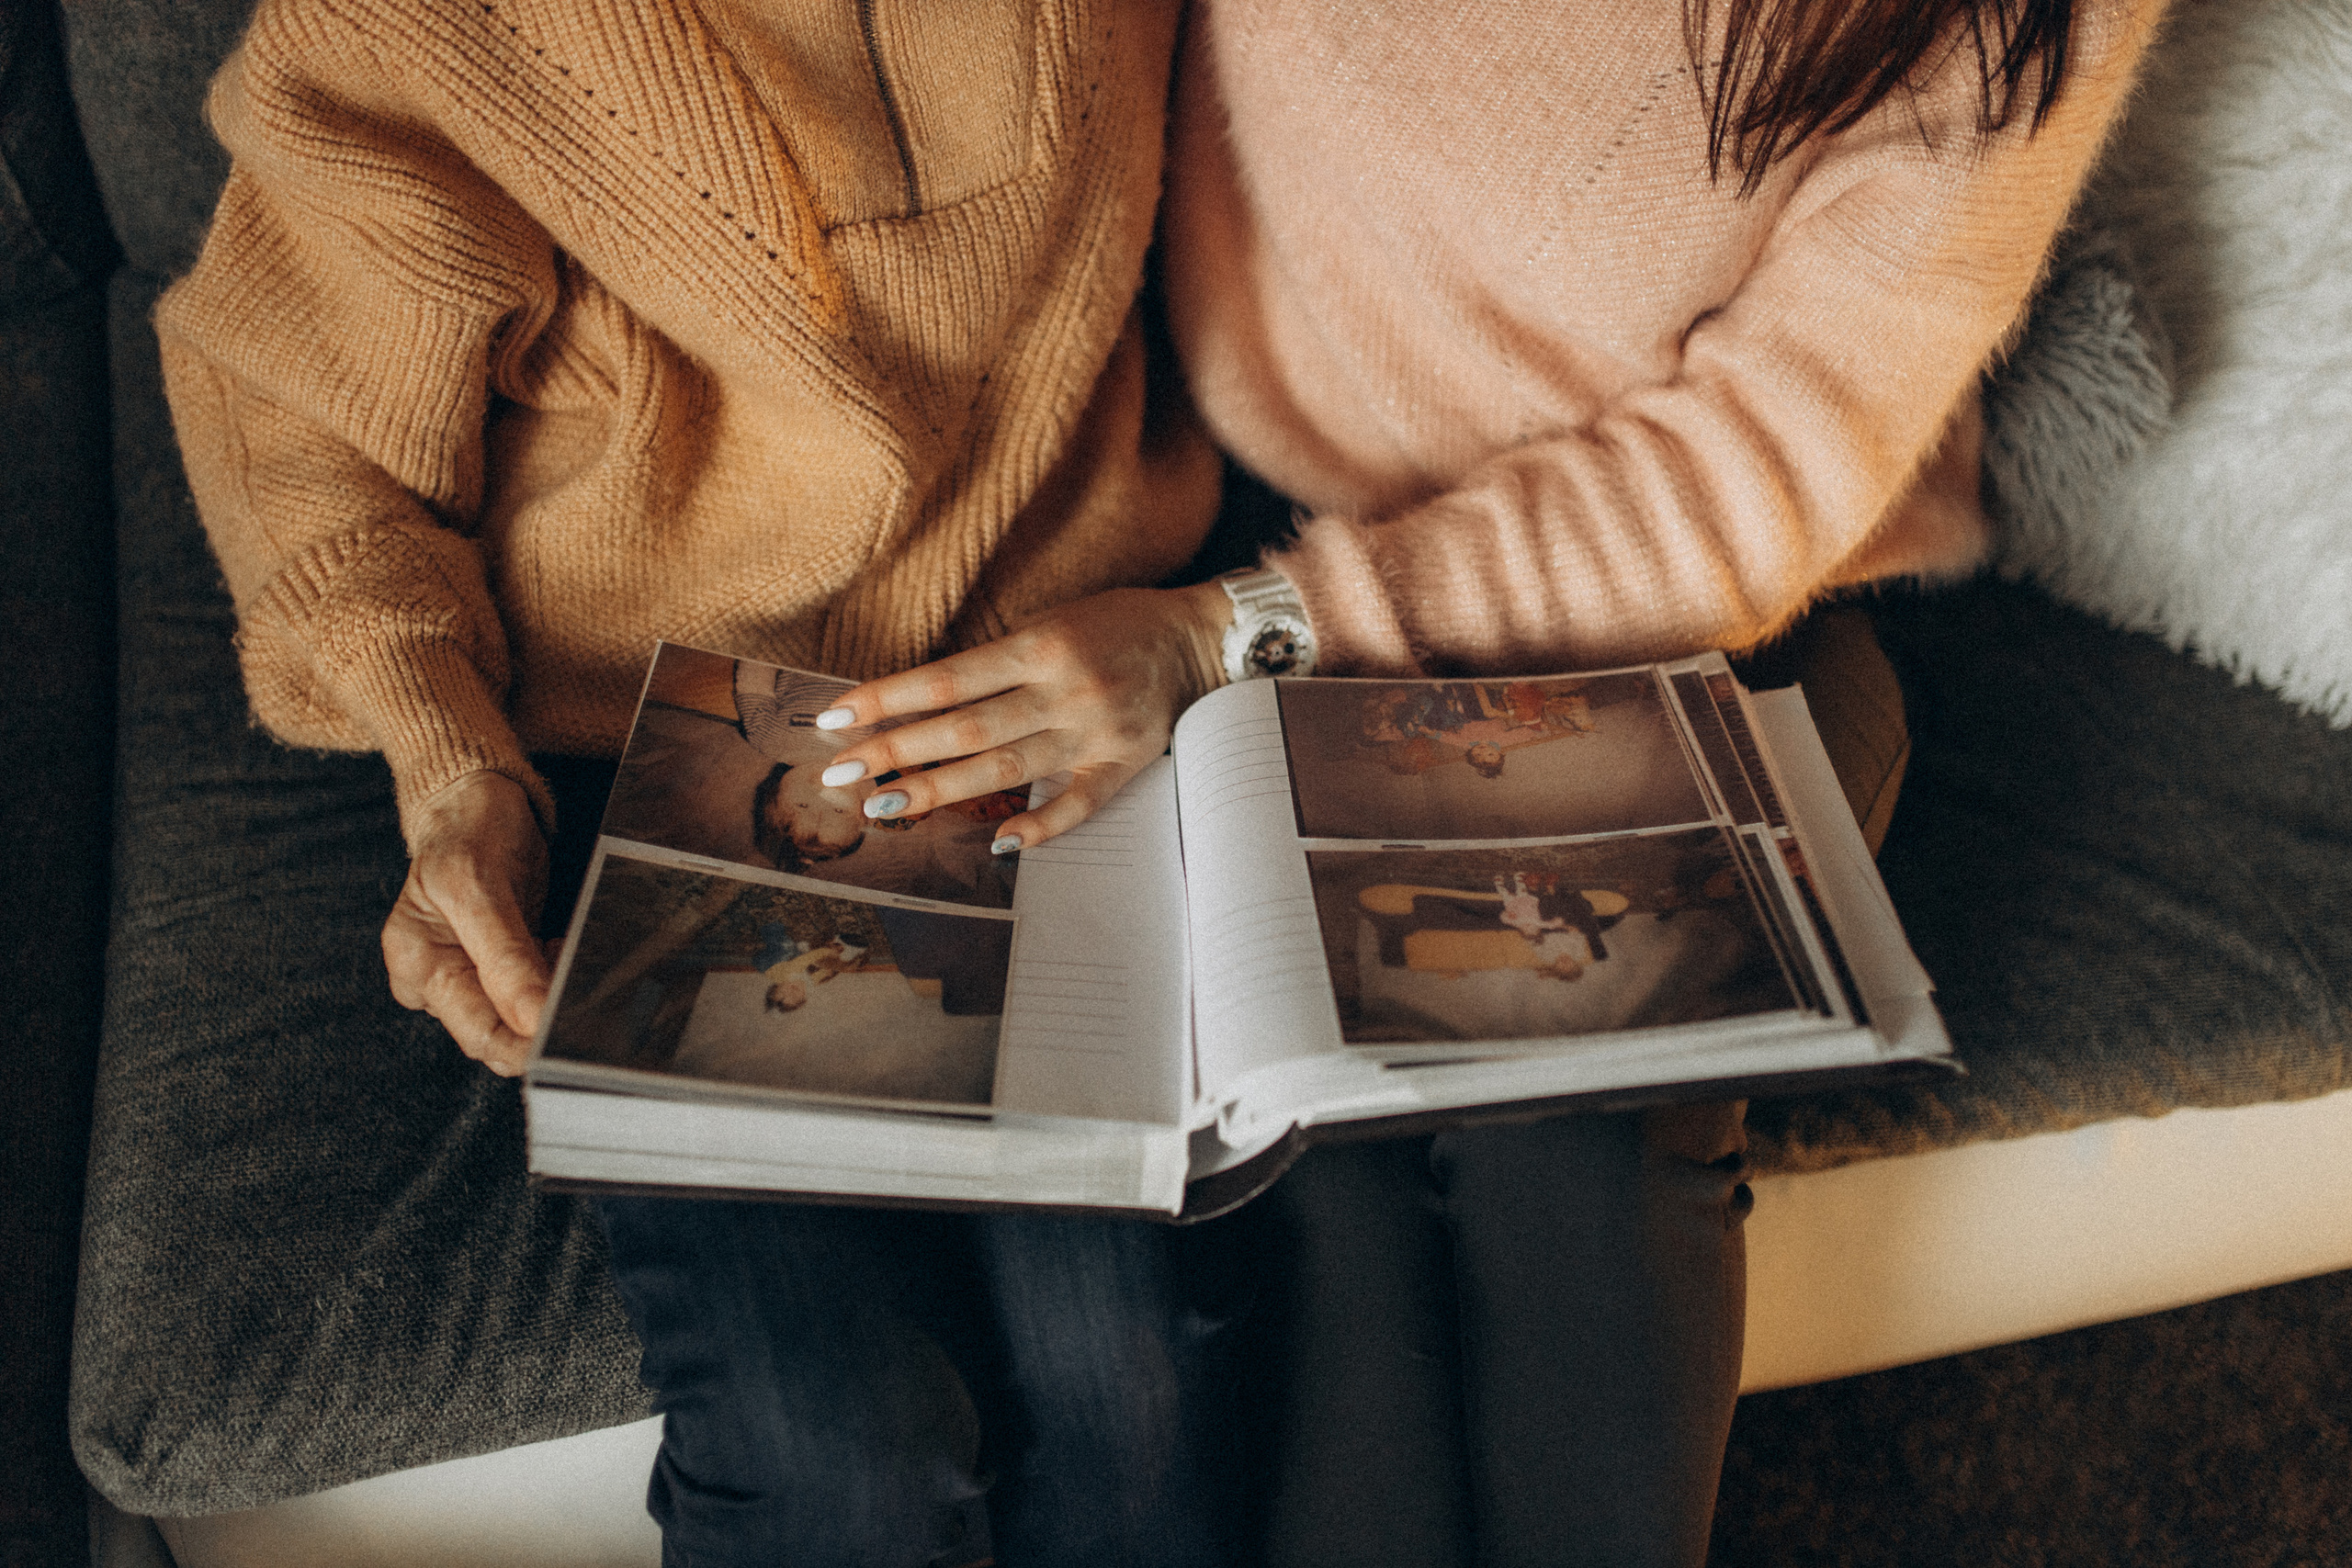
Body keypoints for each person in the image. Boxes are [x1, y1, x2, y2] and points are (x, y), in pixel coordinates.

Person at [804, 1, 2164, 1563]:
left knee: (1576, 1134)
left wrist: (1226, 636)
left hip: (1692, 612)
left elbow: (1753, 482)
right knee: (1325, 1163)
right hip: (1256, 527)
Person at [154, 2, 1239, 1563]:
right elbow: (303, 426)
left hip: (1042, 699)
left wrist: (1214, 625)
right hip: (654, 724)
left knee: (1134, 1394)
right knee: (841, 1445)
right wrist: (453, 766)